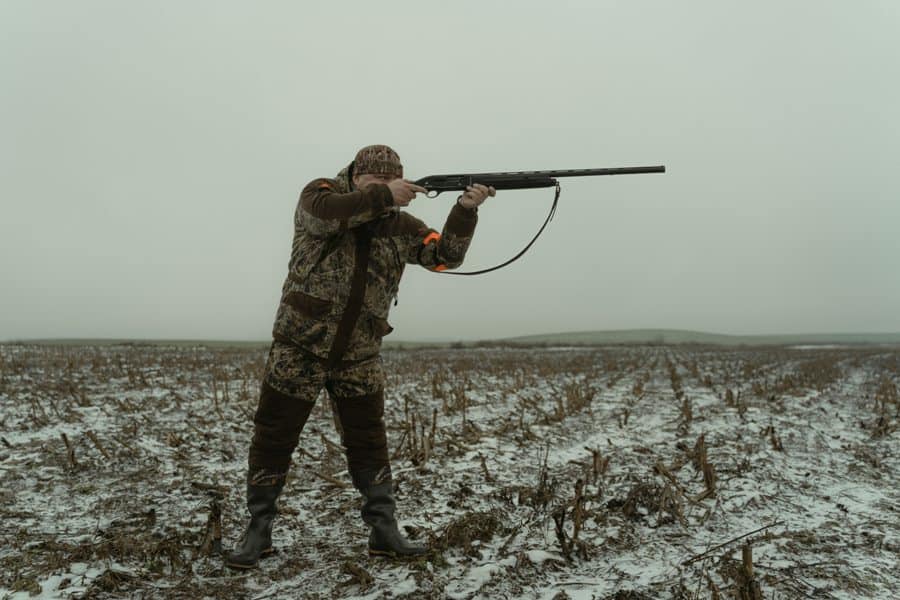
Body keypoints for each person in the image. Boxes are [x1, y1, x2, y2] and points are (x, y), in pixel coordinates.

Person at [227, 145, 495, 568]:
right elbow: (329, 215)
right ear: (356, 178)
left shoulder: (401, 224)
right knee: (274, 438)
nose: (383, 191)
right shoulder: (320, 196)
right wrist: (386, 196)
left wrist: (465, 210)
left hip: (360, 353)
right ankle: (258, 531)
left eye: (390, 183)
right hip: (300, 346)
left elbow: (446, 257)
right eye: (375, 183)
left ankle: (384, 531)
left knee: (369, 442)